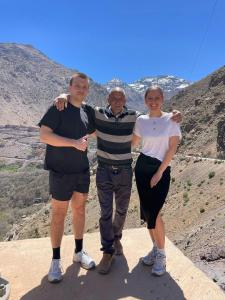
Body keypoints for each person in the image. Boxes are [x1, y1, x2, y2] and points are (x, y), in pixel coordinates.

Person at [54, 86, 182, 275]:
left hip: (129, 171)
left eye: (120, 98)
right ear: (108, 98)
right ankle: (108, 252)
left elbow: (165, 135)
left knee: (128, 211)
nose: (117, 101)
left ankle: (125, 241)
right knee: (112, 212)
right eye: (113, 97)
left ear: (125, 100)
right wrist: (64, 95)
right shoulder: (105, 114)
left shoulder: (140, 117)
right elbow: (79, 103)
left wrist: (177, 113)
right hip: (112, 170)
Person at [39, 72, 96, 283]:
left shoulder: (86, 111)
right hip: (60, 171)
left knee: (80, 210)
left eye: (84, 87)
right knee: (58, 214)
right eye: (77, 86)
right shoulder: (58, 107)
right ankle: (55, 260)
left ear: (87, 90)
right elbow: (44, 135)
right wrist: (73, 143)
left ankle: (79, 252)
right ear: (70, 87)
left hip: (81, 170)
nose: (81, 90)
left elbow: (102, 129)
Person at [132, 86, 181, 276]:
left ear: (163, 99)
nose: (153, 101)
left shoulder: (172, 119)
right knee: (147, 213)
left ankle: (161, 255)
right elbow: (133, 143)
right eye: (150, 98)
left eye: (157, 98)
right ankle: (155, 248)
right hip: (142, 167)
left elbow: (172, 149)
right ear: (145, 100)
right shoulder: (141, 121)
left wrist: (160, 172)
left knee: (156, 211)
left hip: (160, 168)